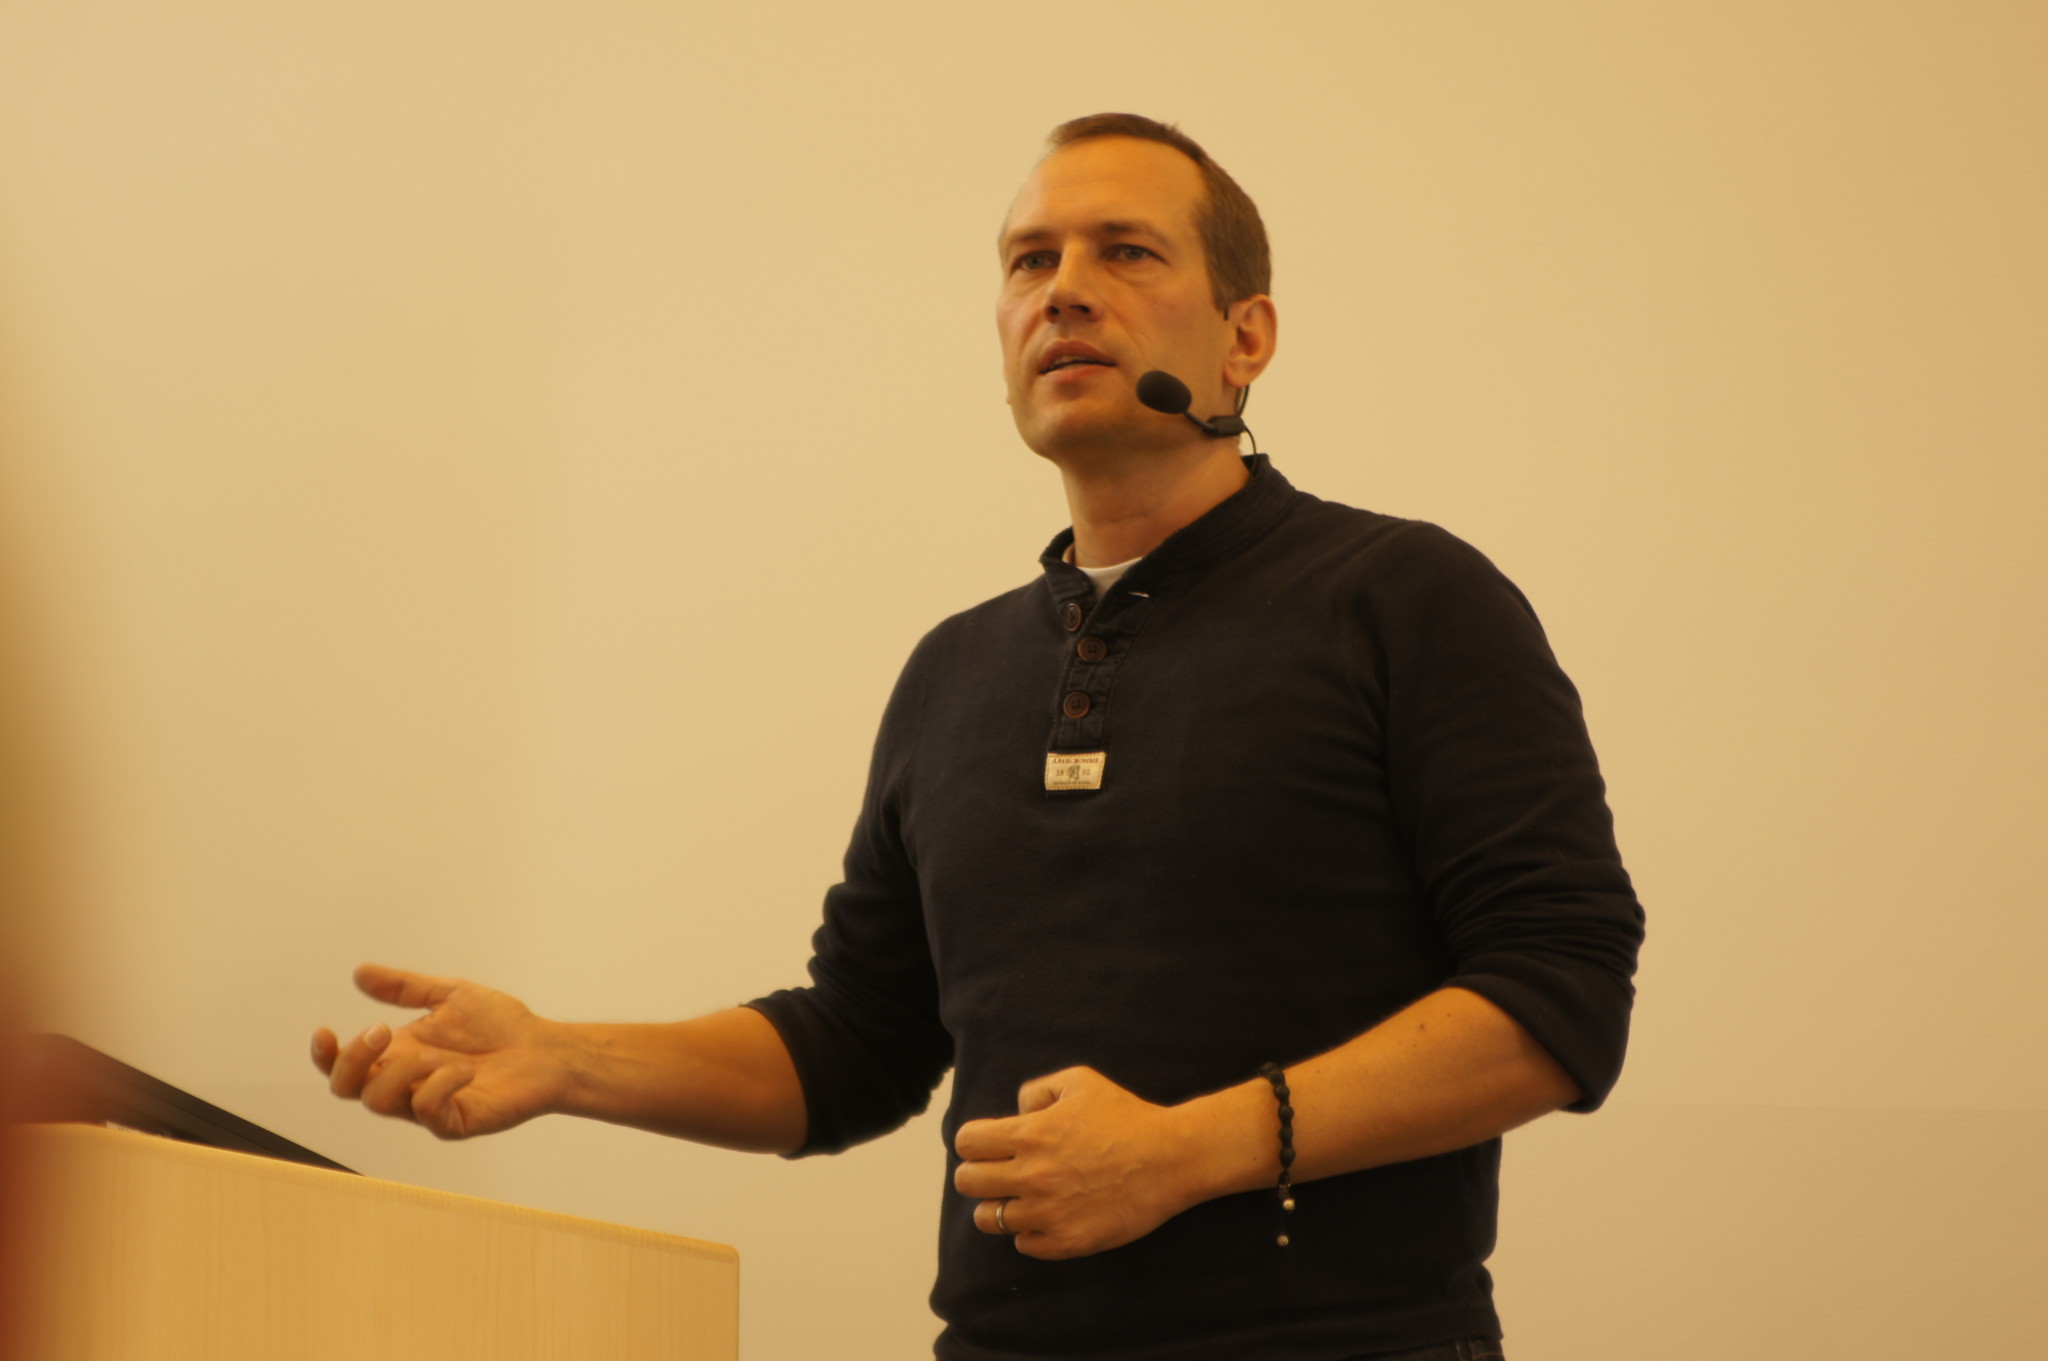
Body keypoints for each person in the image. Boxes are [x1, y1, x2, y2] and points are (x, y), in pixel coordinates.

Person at [314, 113, 1643, 1361]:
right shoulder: (954, 670)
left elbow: (1561, 989)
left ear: (1247, 336)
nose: (1063, 291)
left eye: (1126, 252)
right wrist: (567, 1058)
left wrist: (1187, 1151)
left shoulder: (1405, 598)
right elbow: (858, 1042)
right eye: (1029, 260)